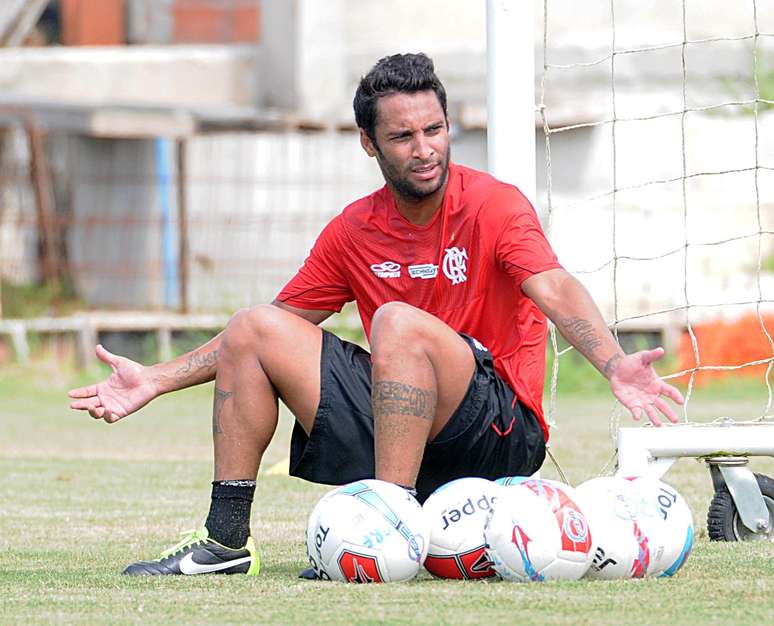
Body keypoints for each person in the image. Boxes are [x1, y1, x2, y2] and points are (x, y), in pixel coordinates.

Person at [68, 53, 684, 577]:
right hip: (400, 422)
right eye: (402, 137)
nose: (424, 150)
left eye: (434, 131)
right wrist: (155, 378)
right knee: (254, 326)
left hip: (498, 430)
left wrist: (611, 362)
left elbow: (553, 286)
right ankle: (224, 542)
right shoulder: (355, 229)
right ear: (370, 143)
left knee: (395, 320)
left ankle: (388, 533)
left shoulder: (494, 205)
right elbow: (261, 336)